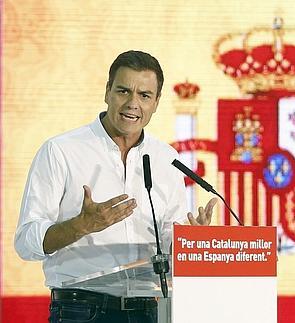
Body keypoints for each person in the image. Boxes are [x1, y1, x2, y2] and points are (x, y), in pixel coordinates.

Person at [14, 50, 216, 323]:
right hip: (81, 311)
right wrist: (80, 226)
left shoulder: (166, 158)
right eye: (123, 91)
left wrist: (190, 240)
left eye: (144, 96)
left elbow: (167, 239)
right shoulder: (61, 150)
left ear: (156, 103)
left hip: (149, 310)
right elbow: (26, 242)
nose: (133, 104)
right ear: (107, 92)